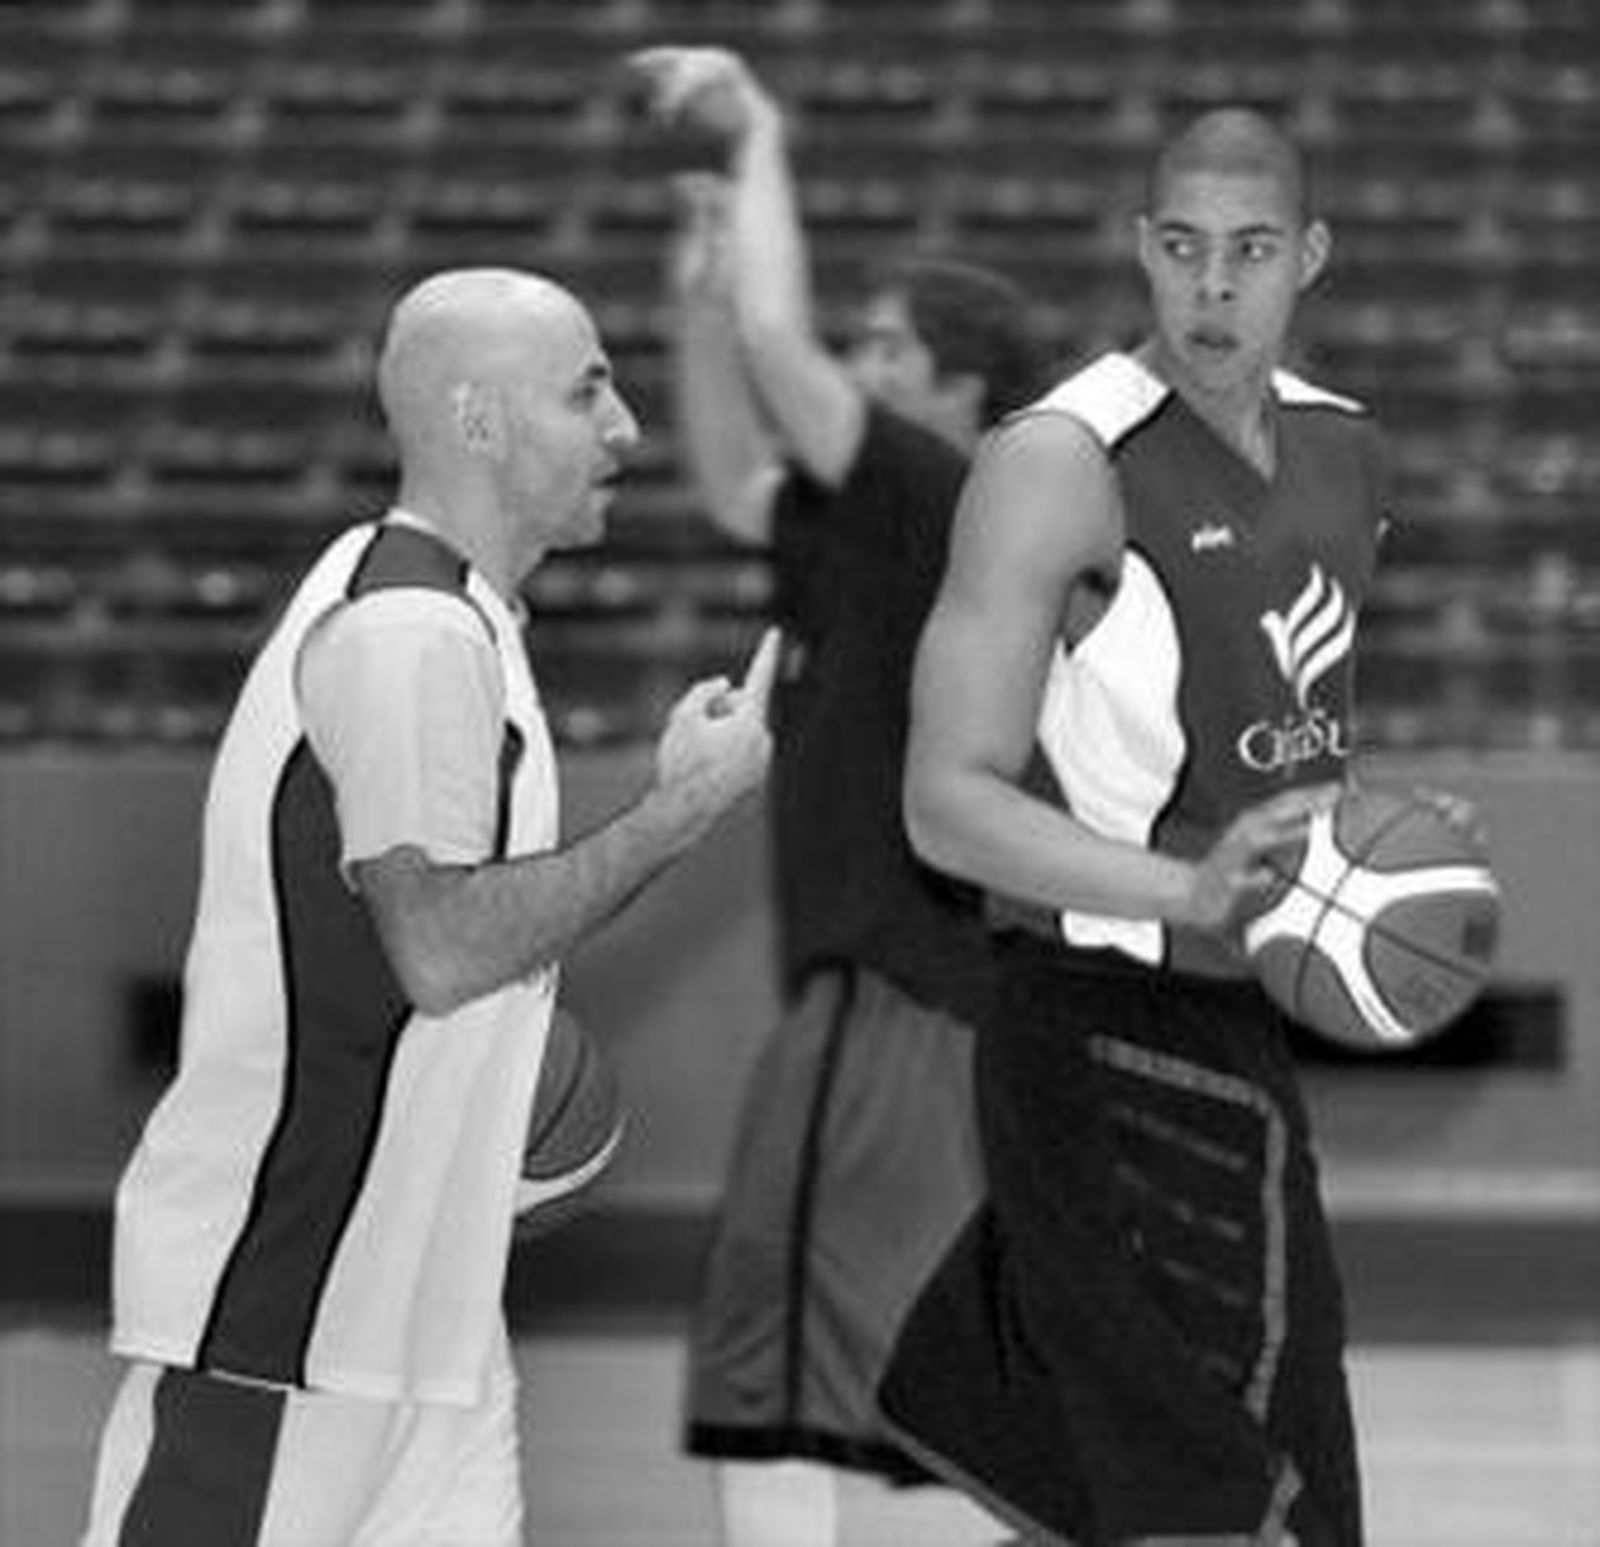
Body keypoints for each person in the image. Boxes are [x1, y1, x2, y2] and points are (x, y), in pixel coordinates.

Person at [80, 267, 776, 1547]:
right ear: (477, 422)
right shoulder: (409, 631)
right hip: (285, 1329)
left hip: (423, 1341)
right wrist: (686, 807)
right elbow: (442, 947)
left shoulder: (451, 612)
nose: (624, 428)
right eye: (588, 392)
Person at [876, 110, 1393, 1546]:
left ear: (1311, 257)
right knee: (1249, 1503)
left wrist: (1370, 866)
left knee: (1126, 1492)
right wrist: (1188, 882)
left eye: (1249, 253)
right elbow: (946, 799)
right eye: (1181, 249)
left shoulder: (1351, 453)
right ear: (1140, 250)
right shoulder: (1061, 458)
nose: (1212, 289)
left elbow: (1263, 730)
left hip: (1237, 1023)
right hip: (1099, 1022)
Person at [630, 44, 1049, 1547]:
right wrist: (695, 292)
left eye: (888, 343)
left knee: (778, 1314)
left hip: (901, 982)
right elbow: (736, 470)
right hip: (944, 989)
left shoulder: (943, 486)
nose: (861, 363)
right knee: (936, 1354)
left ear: (959, 380)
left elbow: (777, 345)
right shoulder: (877, 525)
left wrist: (757, 146)